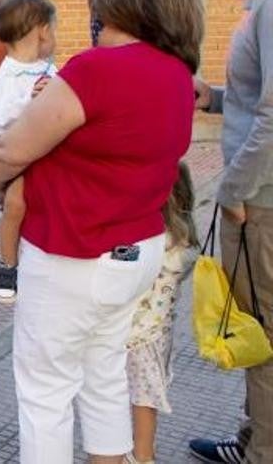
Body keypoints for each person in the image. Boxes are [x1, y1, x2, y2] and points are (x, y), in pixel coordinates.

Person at [0, 0, 201, 463]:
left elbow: (11, 151)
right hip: (136, 251)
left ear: (116, 6)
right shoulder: (178, 73)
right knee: (103, 375)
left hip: (72, 251)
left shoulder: (95, 70)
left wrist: (0, 185)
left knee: (45, 392)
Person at [189, 0, 273, 464]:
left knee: (261, 335)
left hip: (262, 199)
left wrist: (235, 189)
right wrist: (215, 97)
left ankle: (260, 450)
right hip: (260, 192)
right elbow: (256, 95)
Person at [0, 0, 57, 304]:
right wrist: (32, 101)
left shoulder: (48, 68)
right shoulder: (9, 73)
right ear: (42, 31)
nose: (55, 37)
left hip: (48, 152)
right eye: (54, 29)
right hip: (21, 154)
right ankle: (7, 264)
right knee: (17, 204)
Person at [127, 162, 199, 464]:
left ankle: (143, 455)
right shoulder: (185, 243)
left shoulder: (154, 243)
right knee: (143, 398)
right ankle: (140, 452)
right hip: (159, 335)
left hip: (136, 336)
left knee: (141, 399)